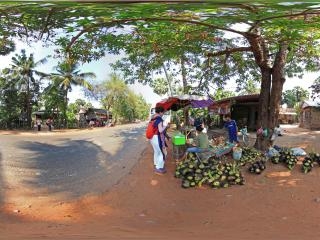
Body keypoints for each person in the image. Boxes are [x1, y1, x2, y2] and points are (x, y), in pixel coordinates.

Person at [149, 106, 168, 175]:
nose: (163, 114)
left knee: (156, 151)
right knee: (162, 153)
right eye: (163, 113)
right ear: (160, 112)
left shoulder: (153, 118)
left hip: (152, 137)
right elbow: (160, 130)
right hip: (157, 138)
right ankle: (158, 168)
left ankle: (156, 164)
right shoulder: (159, 119)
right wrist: (165, 126)